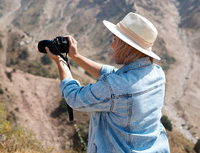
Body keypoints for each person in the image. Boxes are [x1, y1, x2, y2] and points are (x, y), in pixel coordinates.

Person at [46, 12, 170, 152]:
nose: (112, 45)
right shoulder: (157, 73)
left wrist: (60, 61)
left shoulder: (117, 87)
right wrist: (76, 56)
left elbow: (74, 97)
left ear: (126, 46)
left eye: (115, 39)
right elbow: (113, 75)